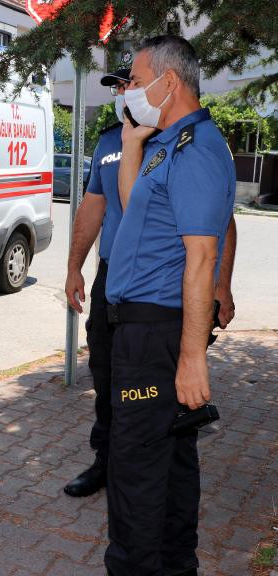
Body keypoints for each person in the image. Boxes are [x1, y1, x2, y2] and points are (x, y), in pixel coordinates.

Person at [103, 36, 236, 576]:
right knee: (172, 460)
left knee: (136, 468)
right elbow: (138, 210)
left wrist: (191, 358)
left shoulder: (198, 149)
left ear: (170, 83)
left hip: (157, 336)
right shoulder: (167, 143)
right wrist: (132, 146)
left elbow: (202, 257)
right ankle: (176, 566)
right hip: (145, 331)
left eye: (134, 81)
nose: (128, 91)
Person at [63, 67, 131, 498]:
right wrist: (74, 267)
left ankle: (147, 467)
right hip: (111, 275)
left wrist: (220, 285)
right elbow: (91, 210)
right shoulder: (108, 141)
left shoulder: (175, 139)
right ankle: (105, 460)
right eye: (118, 88)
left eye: (129, 84)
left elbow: (222, 220)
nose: (123, 94)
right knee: (104, 370)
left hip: (160, 280)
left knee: (152, 376)